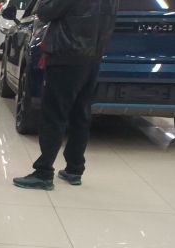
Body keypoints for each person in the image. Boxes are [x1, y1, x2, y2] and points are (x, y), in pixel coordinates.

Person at [13, 0, 118, 190]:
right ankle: (75, 169)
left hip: (66, 55)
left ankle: (43, 173)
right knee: (81, 114)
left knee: (54, 115)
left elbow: (45, 12)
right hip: (92, 58)